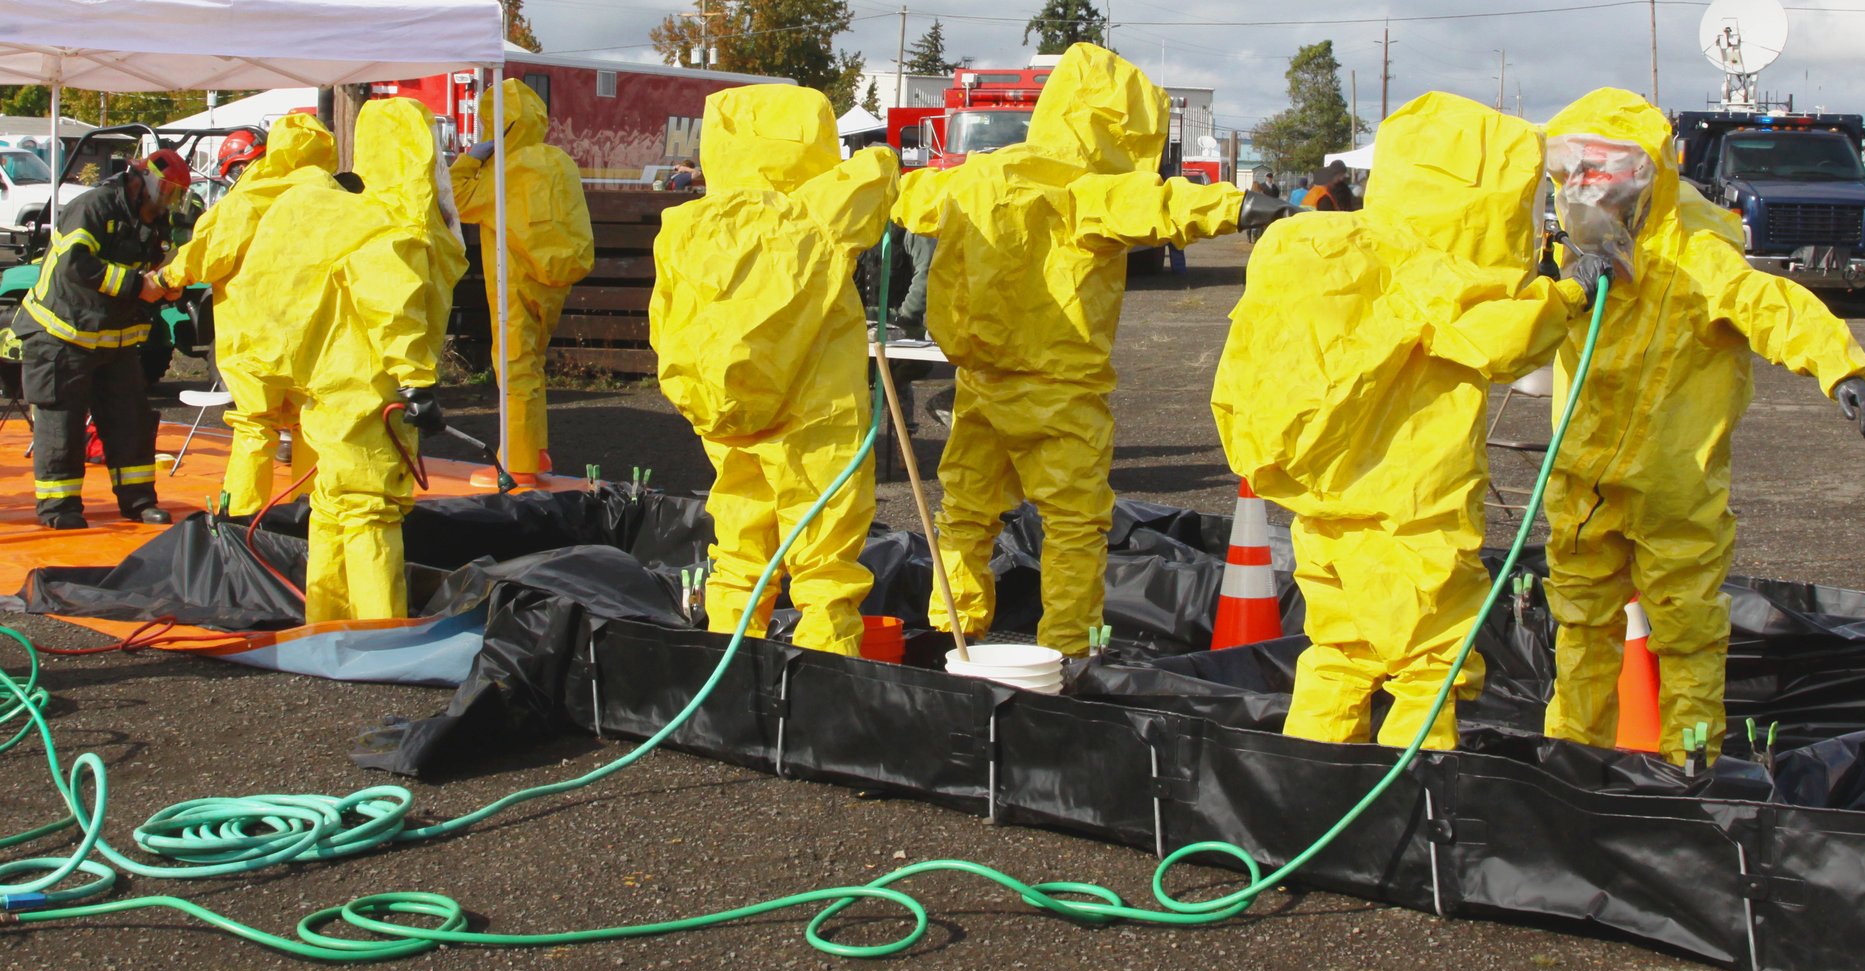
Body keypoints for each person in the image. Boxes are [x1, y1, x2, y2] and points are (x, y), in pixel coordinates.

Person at [1213, 92, 1603, 751]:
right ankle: (1413, 797)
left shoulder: (1320, 245)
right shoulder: (1430, 271)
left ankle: (1312, 784)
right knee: (1432, 665)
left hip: (1326, 503)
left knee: (1339, 651)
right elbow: (1510, 340)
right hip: (1411, 510)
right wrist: (1573, 291)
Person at [891, 43, 1286, 657]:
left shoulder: (978, 176)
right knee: (1073, 524)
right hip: (1058, 393)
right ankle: (1067, 651)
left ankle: (954, 627)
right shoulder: (1088, 193)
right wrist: (1243, 205)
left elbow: (910, 199)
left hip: (979, 384)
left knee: (965, 510)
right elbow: (1163, 204)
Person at [1538, 88, 1865, 765]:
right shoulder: (1569, 260)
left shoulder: (1696, 255)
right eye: (1576, 173)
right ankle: (1573, 762)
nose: (1590, 190)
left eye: (1608, 174)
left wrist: (1841, 366)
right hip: (1581, 485)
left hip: (1673, 489)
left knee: (1688, 634)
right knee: (1580, 629)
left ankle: (1689, 769)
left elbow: (1770, 303)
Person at [649, 84, 900, 656]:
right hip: (814, 417)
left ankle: (729, 661)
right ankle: (825, 674)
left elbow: (663, 321)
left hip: (725, 415)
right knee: (825, 556)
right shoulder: (821, 213)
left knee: (739, 544)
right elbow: (879, 171)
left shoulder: (681, 228)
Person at [222, 98, 467, 622]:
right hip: (368, 391)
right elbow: (393, 310)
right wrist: (418, 383)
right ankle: (380, 631)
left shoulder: (336, 216)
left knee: (333, 507)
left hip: (327, 386)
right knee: (371, 512)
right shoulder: (388, 226)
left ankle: (328, 624)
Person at [158, 113, 337, 515]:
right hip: (315, 333)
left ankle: (241, 516)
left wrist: (168, 277)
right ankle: (315, 513)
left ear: (239, 166)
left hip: (256, 332)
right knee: (310, 421)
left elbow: (210, 255)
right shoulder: (333, 194)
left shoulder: (253, 195)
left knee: (256, 423)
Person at [13, 150, 193, 529]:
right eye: (166, 191)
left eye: (176, 196)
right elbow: (76, 264)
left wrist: (166, 286)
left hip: (114, 341)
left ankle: (139, 501)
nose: (168, 203)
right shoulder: (93, 207)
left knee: (130, 421)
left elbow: (152, 268)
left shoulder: (155, 224)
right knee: (61, 424)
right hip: (61, 334)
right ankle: (60, 509)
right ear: (140, 180)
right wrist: (137, 286)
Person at [450, 78, 596, 480]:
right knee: (532, 365)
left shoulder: (503, 171)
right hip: (554, 279)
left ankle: (518, 464)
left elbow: (456, 199)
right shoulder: (559, 162)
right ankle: (535, 450)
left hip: (512, 278)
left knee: (515, 368)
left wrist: (471, 159)